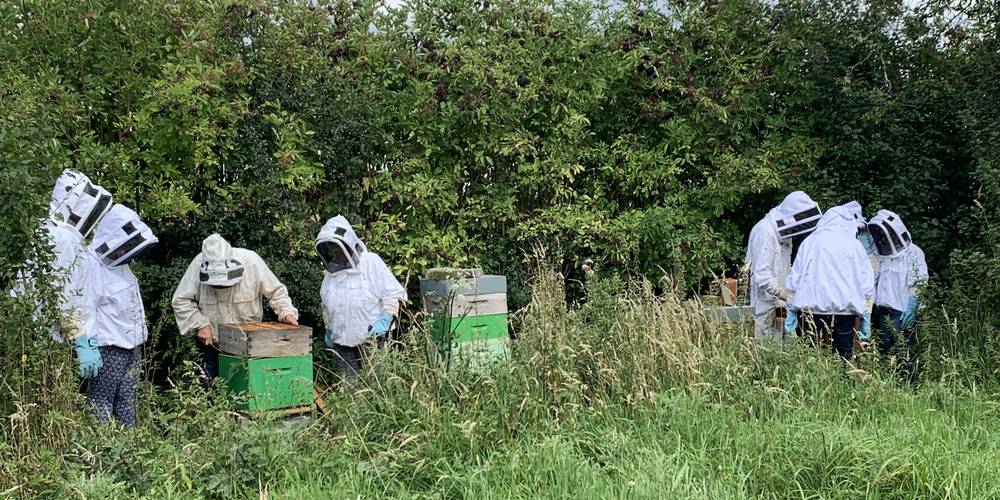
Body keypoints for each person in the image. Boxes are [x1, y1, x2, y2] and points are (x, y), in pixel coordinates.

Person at [171, 233, 299, 387]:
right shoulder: (198, 264)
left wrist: (286, 312)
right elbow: (180, 300)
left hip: (248, 344)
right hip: (211, 345)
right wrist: (200, 324)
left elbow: (276, 292)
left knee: (248, 392)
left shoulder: (251, 262)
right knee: (208, 390)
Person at [27, 170, 113, 380]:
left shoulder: (54, 233)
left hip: (60, 336)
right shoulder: (61, 237)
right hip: (59, 340)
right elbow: (60, 296)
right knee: (56, 402)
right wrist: (81, 340)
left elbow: (76, 295)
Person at [86, 204, 158, 426]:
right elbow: (85, 309)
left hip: (133, 346)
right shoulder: (92, 267)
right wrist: (86, 345)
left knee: (128, 401)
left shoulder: (121, 266)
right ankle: (101, 451)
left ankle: (127, 450)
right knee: (102, 402)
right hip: (108, 348)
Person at [316, 216, 407, 381]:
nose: (335, 253)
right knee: (350, 388)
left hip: (372, 341)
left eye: (337, 248)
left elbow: (393, 294)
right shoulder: (330, 275)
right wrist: (329, 328)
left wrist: (385, 321)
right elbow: (326, 305)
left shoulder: (371, 262)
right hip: (342, 342)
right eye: (332, 250)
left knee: (378, 385)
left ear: (349, 245)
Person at [784, 201, 875, 361]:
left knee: (809, 358)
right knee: (843, 359)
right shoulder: (854, 245)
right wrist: (866, 315)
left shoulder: (810, 242)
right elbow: (866, 282)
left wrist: (791, 310)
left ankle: (808, 384)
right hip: (845, 313)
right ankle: (843, 385)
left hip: (811, 312)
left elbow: (794, 279)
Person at [745, 191, 822, 344]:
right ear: (791, 212)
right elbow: (761, 274)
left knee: (780, 347)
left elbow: (784, 268)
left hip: (779, 304)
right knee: (764, 347)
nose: (803, 219)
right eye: (801, 215)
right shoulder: (764, 231)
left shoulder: (785, 235)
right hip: (763, 303)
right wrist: (782, 292)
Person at [868, 209, 928, 383]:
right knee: (888, 351)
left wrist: (913, 307)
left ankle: (911, 387)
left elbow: (919, 283)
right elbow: (873, 280)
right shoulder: (882, 255)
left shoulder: (914, 253)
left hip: (901, 313)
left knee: (906, 352)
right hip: (882, 312)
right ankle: (894, 386)